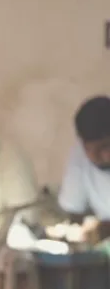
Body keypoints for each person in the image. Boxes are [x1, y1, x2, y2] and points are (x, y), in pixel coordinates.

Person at [57, 95, 110, 238]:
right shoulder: (79, 155)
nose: (101, 157)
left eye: (105, 147)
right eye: (90, 149)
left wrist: (103, 228)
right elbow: (73, 211)